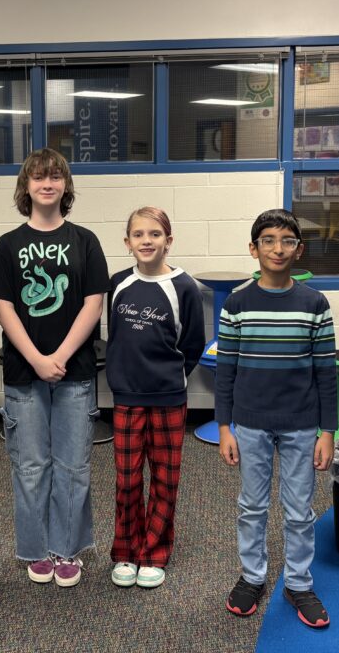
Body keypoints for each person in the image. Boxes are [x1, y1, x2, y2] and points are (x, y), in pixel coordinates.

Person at [0, 147, 108, 588]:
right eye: (39, 177)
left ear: (65, 185)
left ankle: (67, 549)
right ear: (26, 186)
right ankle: (37, 549)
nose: (47, 183)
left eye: (55, 176)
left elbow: (94, 302)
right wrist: (37, 359)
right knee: (31, 466)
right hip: (23, 373)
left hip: (74, 371)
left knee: (73, 465)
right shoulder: (8, 244)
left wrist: (59, 356)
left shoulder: (85, 240)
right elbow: (4, 307)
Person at [216, 208, 337, 629]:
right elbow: (225, 369)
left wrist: (328, 431)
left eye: (287, 241)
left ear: (299, 249)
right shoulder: (236, 303)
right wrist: (225, 426)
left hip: (303, 424)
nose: (277, 248)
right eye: (268, 240)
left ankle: (298, 583)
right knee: (252, 505)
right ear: (254, 249)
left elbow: (325, 370)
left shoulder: (315, 304)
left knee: (300, 509)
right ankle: (252, 577)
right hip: (249, 422)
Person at [105, 207, 205, 589]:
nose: (146, 241)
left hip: (168, 399)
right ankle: (126, 552)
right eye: (138, 234)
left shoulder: (184, 288)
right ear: (127, 242)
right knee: (127, 479)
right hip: (127, 398)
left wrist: (172, 379)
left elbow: (192, 344)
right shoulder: (117, 284)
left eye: (155, 234)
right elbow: (116, 338)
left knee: (164, 479)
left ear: (169, 240)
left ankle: (154, 553)